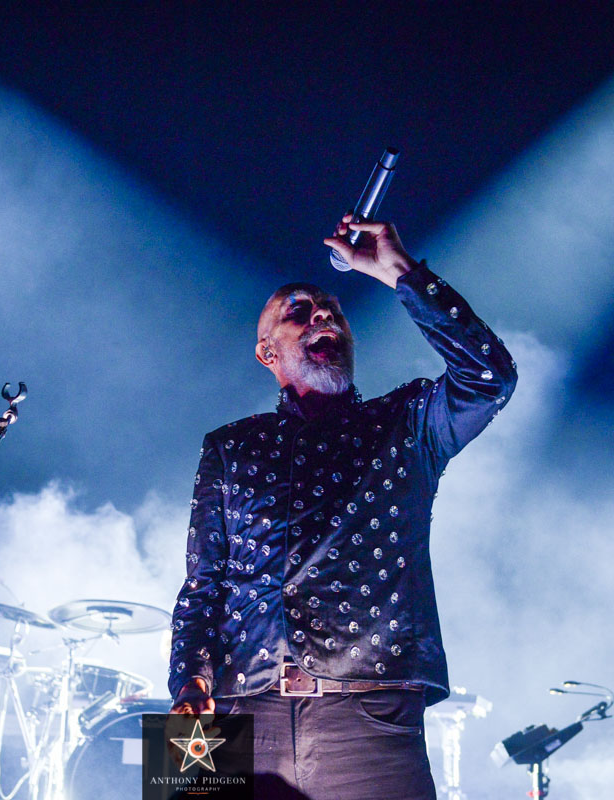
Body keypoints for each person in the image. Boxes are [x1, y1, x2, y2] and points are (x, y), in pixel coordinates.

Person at [166, 214, 517, 799]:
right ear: (266, 352)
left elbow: (489, 378)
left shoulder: (406, 425)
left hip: (370, 717)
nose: (322, 315)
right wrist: (188, 682)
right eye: (298, 311)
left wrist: (400, 272)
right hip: (230, 710)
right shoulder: (229, 446)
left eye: (332, 310)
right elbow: (203, 586)